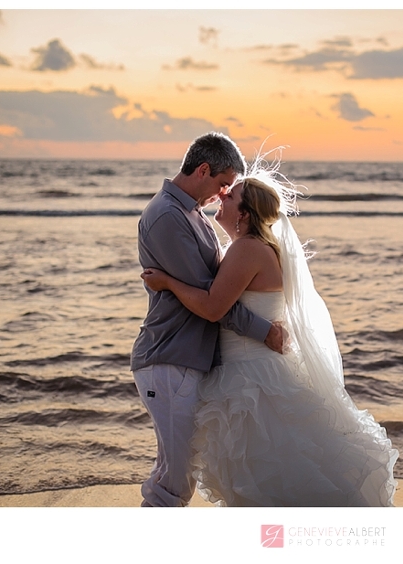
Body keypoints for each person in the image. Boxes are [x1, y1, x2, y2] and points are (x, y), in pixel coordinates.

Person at [141, 167, 398, 506]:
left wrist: (168, 282)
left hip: (251, 378)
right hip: (260, 370)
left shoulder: (246, 250)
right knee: (271, 477)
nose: (222, 195)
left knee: (263, 479)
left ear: (244, 214)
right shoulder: (259, 247)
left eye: (230, 195)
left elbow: (213, 306)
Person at [131, 132, 285, 507]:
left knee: (177, 474)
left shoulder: (191, 213)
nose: (221, 194)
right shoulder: (168, 216)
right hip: (170, 358)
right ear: (203, 169)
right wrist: (264, 331)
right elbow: (211, 302)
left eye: (228, 190)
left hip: (188, 360)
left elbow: (215, 294)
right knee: (174, 481)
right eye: (222, 183)